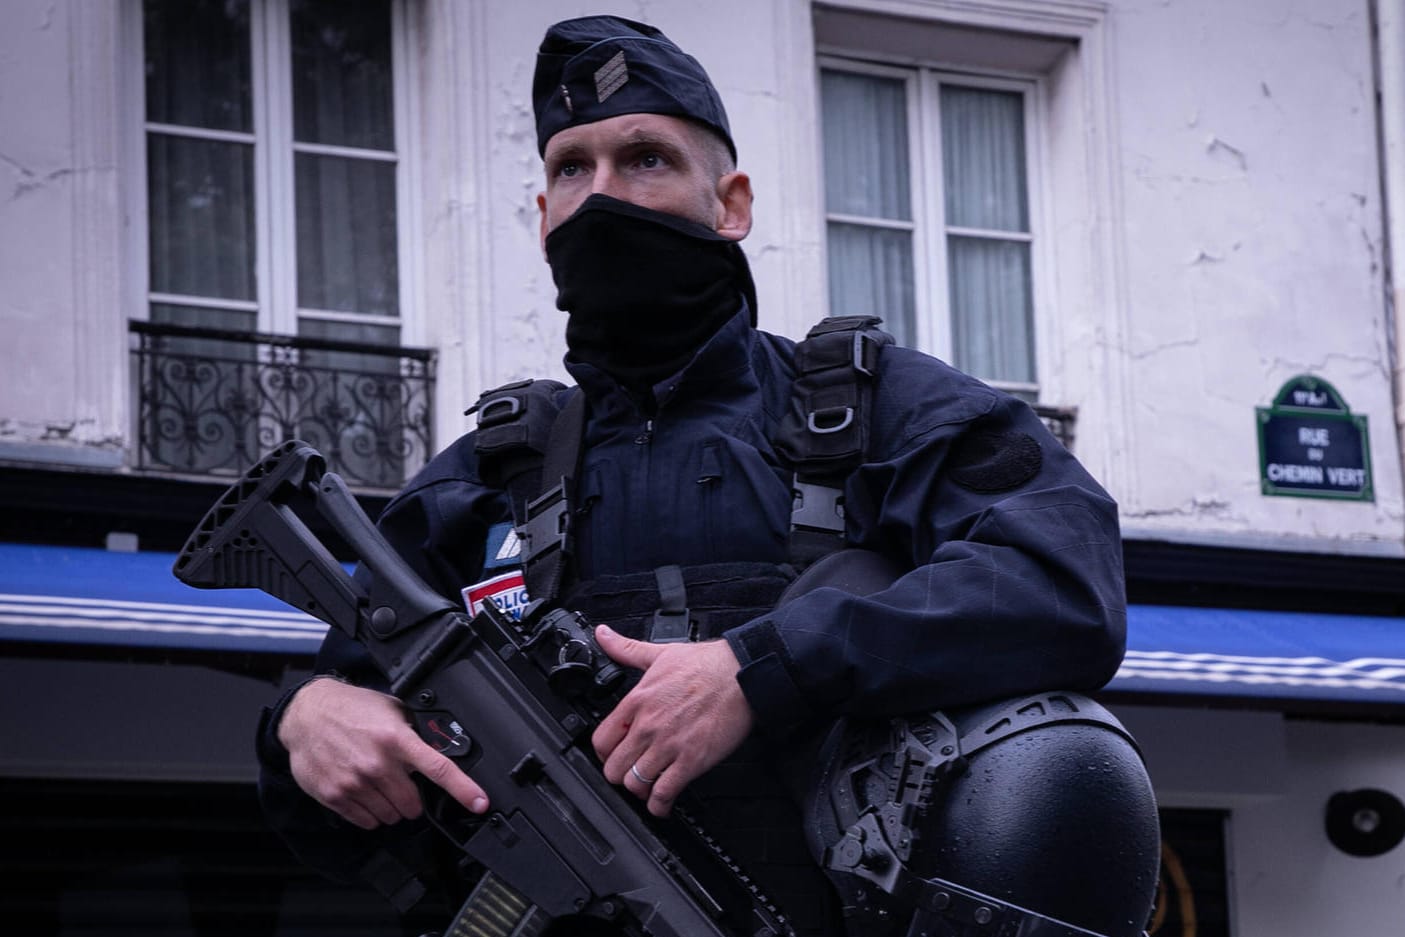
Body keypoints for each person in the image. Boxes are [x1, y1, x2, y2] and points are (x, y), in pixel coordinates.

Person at [255, 14, 1134, 937]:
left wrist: (762, 670)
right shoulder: (482, 478)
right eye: (570, 169)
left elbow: (1065, 581)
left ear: (731, 204)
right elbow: (348, 769)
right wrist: (303, 723)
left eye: (644, 159)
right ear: (543, 214)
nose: (601, 199)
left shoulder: (879, 412)